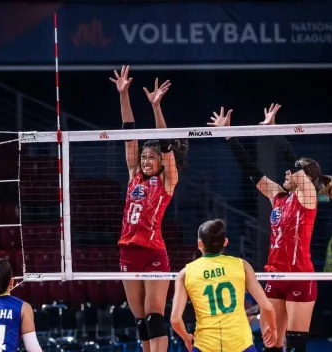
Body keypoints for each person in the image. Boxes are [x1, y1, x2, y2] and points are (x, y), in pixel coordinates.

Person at [208, 104, 332, 352]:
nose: (287, 173)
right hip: (275, 276)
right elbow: (251, 170)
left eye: (293, 173)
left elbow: (290, 161)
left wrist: (275, 130)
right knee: (271, 343)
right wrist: (227, 135)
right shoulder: (278, 197)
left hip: (300, 276)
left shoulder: (308, 198)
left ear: (304, 178)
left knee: (294, 345)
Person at [109, 65, 188, 352]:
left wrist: (156, 107)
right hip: (127, 251)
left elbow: (167, 146)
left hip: (153, 252)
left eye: (151, 157)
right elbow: (129, 133)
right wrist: (124, 94)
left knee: (155, 316)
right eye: (144, 156)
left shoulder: (168, 181)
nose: (145, 160)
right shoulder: (134, 176)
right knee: (140, 319)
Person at [170, 219, 277, 352]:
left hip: (205, 345)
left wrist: (186, 338)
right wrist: (273, 328)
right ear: (225, 242)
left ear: (199, 244)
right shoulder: (242, 265)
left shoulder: (185, 273)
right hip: (240, 344)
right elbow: (267, 306)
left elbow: (175, 319)